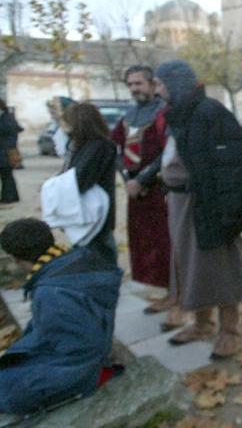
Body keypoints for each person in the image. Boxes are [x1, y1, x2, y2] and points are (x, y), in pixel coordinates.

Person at [156, 60, 242, 359]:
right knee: (190, 266)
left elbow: (233, 164)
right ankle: (202, 323)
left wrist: (229, 212)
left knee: (220, 266)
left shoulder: (210, 112)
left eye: (160, 83)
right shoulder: (181, 114)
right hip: (182, 203)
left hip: (208, 204)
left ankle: (230, 333)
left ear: (175, 83)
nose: (157, 89)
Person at [0, 218, 121, 415]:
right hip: (77, 351)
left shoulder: (52, 293)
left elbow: (76, 353)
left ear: (15, 259)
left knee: (8, 391)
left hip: (81, 367)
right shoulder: (71, 260)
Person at [110, 65, 174, 314]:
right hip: (135, 189)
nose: (134, 89)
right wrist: (127, 178)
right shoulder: (128, 116)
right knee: (143, 241)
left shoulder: (164, 113)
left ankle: (173, 293)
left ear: (151, 84)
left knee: (165, 242)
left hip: (160, 188)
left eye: (139, 83)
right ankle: (156, 290)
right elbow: (114, 149)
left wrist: (143, 180)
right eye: (130, 84)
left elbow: (167, 153)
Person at [62, 102, 118, 265]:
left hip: (94, 212)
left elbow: (80, 180)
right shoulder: (87, 146)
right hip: (91, 212)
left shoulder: (98, 147)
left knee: (99, 257)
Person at [0, 100, 22, 204]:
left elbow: (7, 131)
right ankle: (11, 196)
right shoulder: (7, 117)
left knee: (6, 175)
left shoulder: (6, 118)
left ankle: (8, 197)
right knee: (7, 175)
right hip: (6, 150)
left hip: (6, 151)